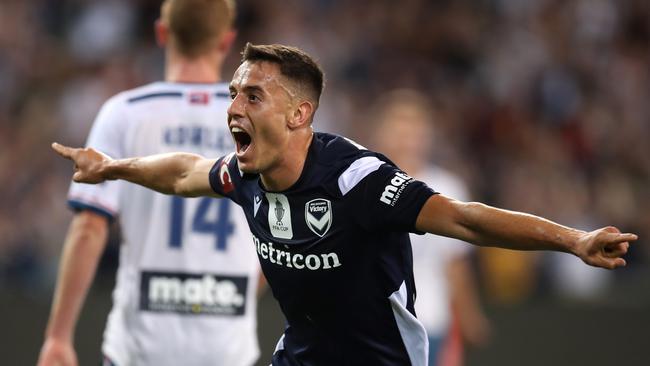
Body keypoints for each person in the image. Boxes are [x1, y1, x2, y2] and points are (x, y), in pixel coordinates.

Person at [52, 43, 636, 366]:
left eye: (252, 95)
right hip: (301, 356)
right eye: (233, 92)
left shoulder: (357, 179)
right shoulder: (249, 170)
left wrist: (574, 239)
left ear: (299, 114)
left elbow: (463, 217)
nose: (233, 106)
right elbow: (183, 172)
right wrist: (114, 168)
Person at [38, 1, 263, 366]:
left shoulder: (126, 112)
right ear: (228, 41)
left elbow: (89, 228)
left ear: (162, 33)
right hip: (226, 347)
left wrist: (58, 337)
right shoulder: (253, 119)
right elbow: (283, 223)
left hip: (141, 345)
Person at [371, 89, 490, 366]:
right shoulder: (361, 183)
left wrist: (469, 315)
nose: (406, 135)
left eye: (414, 127)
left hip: (430, 321)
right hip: (374, 324)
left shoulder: (446, 188)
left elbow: (455, 265)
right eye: (399, 125)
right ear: (381, 131)